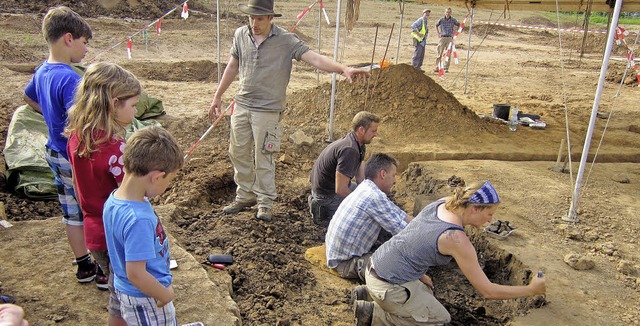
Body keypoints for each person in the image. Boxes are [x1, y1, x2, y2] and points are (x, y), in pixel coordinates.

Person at [208, 0, 369, 222]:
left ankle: (264, 202)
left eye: (260, 18)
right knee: (238, 153)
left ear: (271, 18)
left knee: (264, 156)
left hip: (268, 111)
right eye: (252, 18)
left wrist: (343, 69)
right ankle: (244, 195)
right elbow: (233, 65)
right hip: (242, 105)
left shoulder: (285, 40)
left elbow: (313, 58)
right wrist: (217, 96)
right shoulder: (240, 35)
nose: (255, 23)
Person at [356, 181, 546, 325]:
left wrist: (420, 275)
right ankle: (375, 314)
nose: (490, 220)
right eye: (489, 214)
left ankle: (367, 293)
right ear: (474, 208)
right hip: (387, 284)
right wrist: (531, 290)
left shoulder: (444, 203)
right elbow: (487, 291)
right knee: (440, 319)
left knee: (427, 290)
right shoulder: (455, 239)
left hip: (376, 264)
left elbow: (413, 238)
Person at [22, 6, 98, 285]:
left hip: (54, 151)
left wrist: (51, 115)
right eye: (84, 42)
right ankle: (101, 266)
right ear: (69, 38)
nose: (86, 50)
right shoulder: (71, 79)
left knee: (70, 211)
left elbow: (28, 98)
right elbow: (83, 123)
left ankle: (84, 265)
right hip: (74, 155)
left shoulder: (43, 70)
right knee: (90, 208)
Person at [66, 62, 142, 325]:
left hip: (93, 228)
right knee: (121, 290)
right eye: (132, 105)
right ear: (113, 104)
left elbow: (77, 184)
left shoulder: (76, 138)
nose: (136, 111)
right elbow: (133, 194)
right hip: (117, 233)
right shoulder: (115, 149)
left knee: (115, 283)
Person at [103, 126, 183, 325]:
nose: (166, 187)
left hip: (128, 290)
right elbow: (136, 274)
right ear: (156, 176)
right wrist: (164, 295)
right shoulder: (138, 219)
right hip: (147, 297)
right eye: (168, 181)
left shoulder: (114, 199)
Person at [325, 153, 410, 282]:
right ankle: (370, 295)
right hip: (345, 263)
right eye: (393, 175)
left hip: (337, 254)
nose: (395, 181)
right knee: (400, 268)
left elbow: (399, 214)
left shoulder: (366, 187)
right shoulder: (374, 197)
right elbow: (404, 233)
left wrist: (423, 222)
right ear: (382, 174)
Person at [308, 111, 379, 226]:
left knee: (368, 200)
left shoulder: (358, 144)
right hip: (326, 196)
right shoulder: (349, 150)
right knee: (363, 219)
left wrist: (367, 193)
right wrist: (362, 204)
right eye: (373, 131)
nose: (376, 134)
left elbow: (360, 174)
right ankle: (320, 210)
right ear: (361, 130)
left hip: (331, 188)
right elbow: (341, 190)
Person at [434, 7, 460, 73]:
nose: (448, 13)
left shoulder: (453, 20)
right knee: (439, 52)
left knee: (448, 53)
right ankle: (438, 67)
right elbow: (436, 25)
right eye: (446, 12)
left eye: (449, 12)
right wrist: (438, 33)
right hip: (442, 37)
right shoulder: (441, 19)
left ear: (451, 13)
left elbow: (459, 25)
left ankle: (446, 68)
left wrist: (455, 32)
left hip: (449, 38)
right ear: (445, 12)